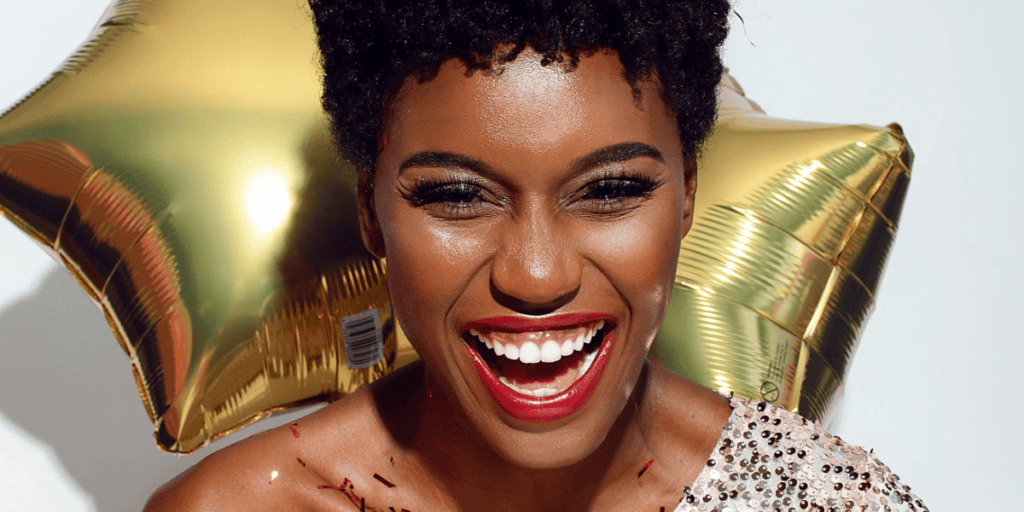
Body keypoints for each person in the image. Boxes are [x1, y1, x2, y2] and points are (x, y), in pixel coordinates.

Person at [146, 1, 927, 510]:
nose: (536, 274)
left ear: (688, 194)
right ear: (370, 212)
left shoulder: (831, 501)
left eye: (611, 189)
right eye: (456, 197)